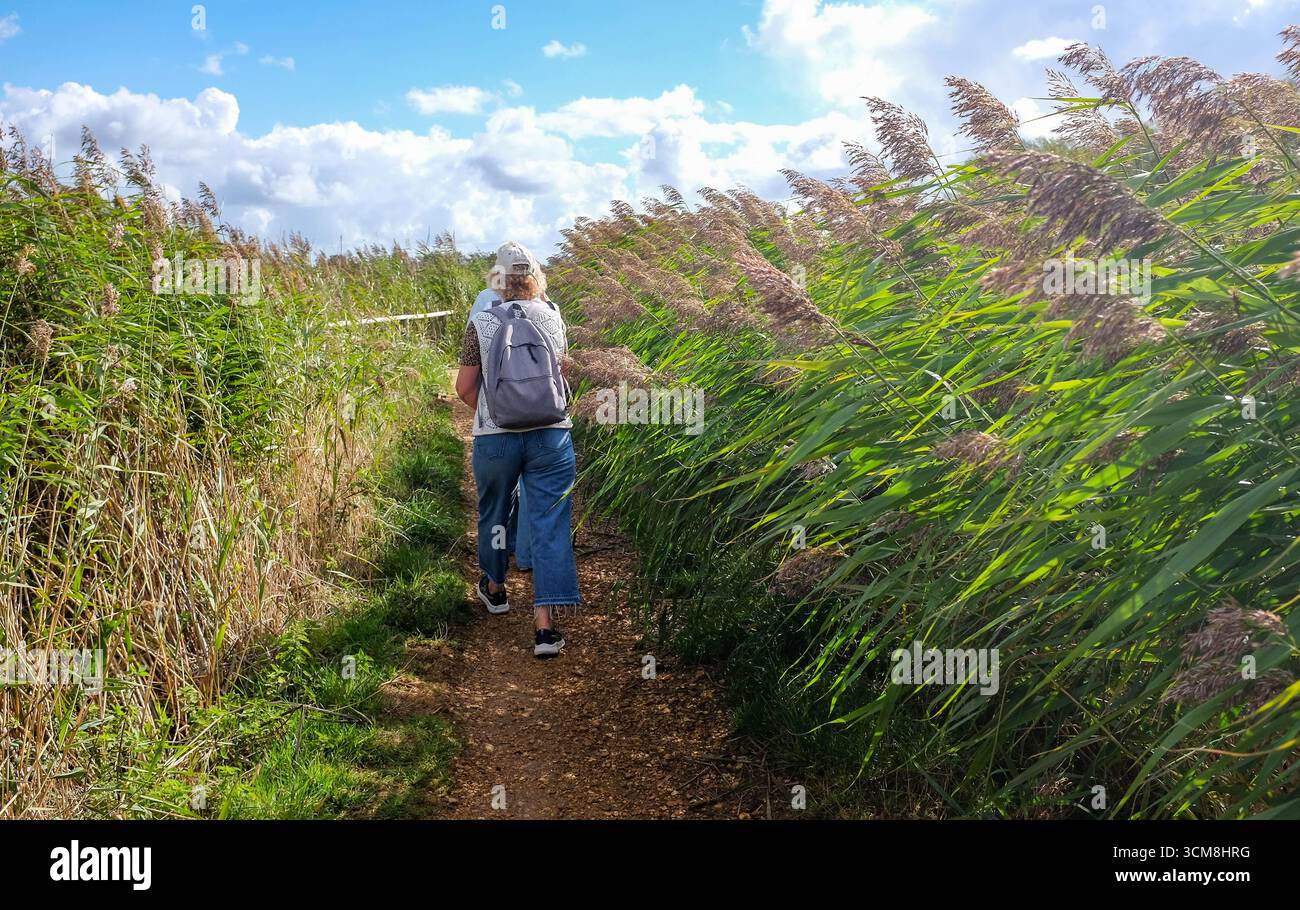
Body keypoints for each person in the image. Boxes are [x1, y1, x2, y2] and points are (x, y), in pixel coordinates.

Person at [455, 241, 579, 657]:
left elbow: (464, 388)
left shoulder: (482, 322)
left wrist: (494, 413)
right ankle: (545, 628)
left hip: (495, 439)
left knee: (493, 512)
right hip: (551, 435)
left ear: (497, 280)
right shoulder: (555, 319)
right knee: (549, 521)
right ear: (536, 277)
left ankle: (495, 589)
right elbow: (565, 380)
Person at [468, 257, 531, 572]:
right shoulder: (551, 312)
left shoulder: (483, 307)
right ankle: (522, 550)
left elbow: (466, 381)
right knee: (527, 494)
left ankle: (495, 580)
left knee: (494, 509)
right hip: (541, 426)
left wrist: (489, 408)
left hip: (495, 428)